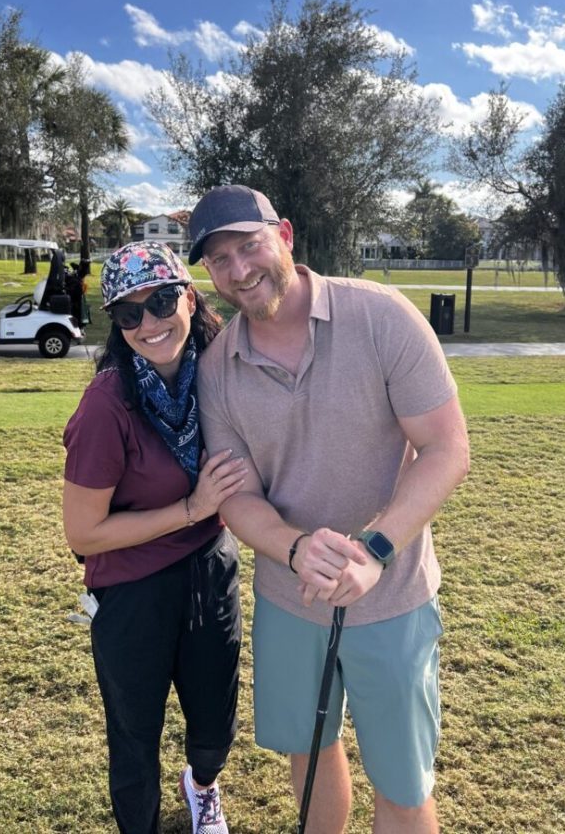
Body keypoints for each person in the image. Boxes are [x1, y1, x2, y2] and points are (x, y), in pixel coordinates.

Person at [188, 186, 470, 834]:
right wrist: (293, 548)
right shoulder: (216, 369)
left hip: (392, 596)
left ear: (284, 235)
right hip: (290, 601)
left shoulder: (381, 316)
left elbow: (447, 448)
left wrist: (373, 550)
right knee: (308, 750)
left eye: (248, 246)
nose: (238, 270)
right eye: (219, 259)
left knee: (401, 780)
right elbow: (236, 495)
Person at [62, 241, 245, 834]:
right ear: (116, 323)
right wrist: (193, 507)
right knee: (135, 733)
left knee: (215, 723)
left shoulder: (220, 372)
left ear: (189, 297)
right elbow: (84, 533)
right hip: (131, 589)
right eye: (129, 312)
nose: (150, 322)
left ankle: (203, 789)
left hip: (211, 569)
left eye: (163, 299)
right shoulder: (107, 405)